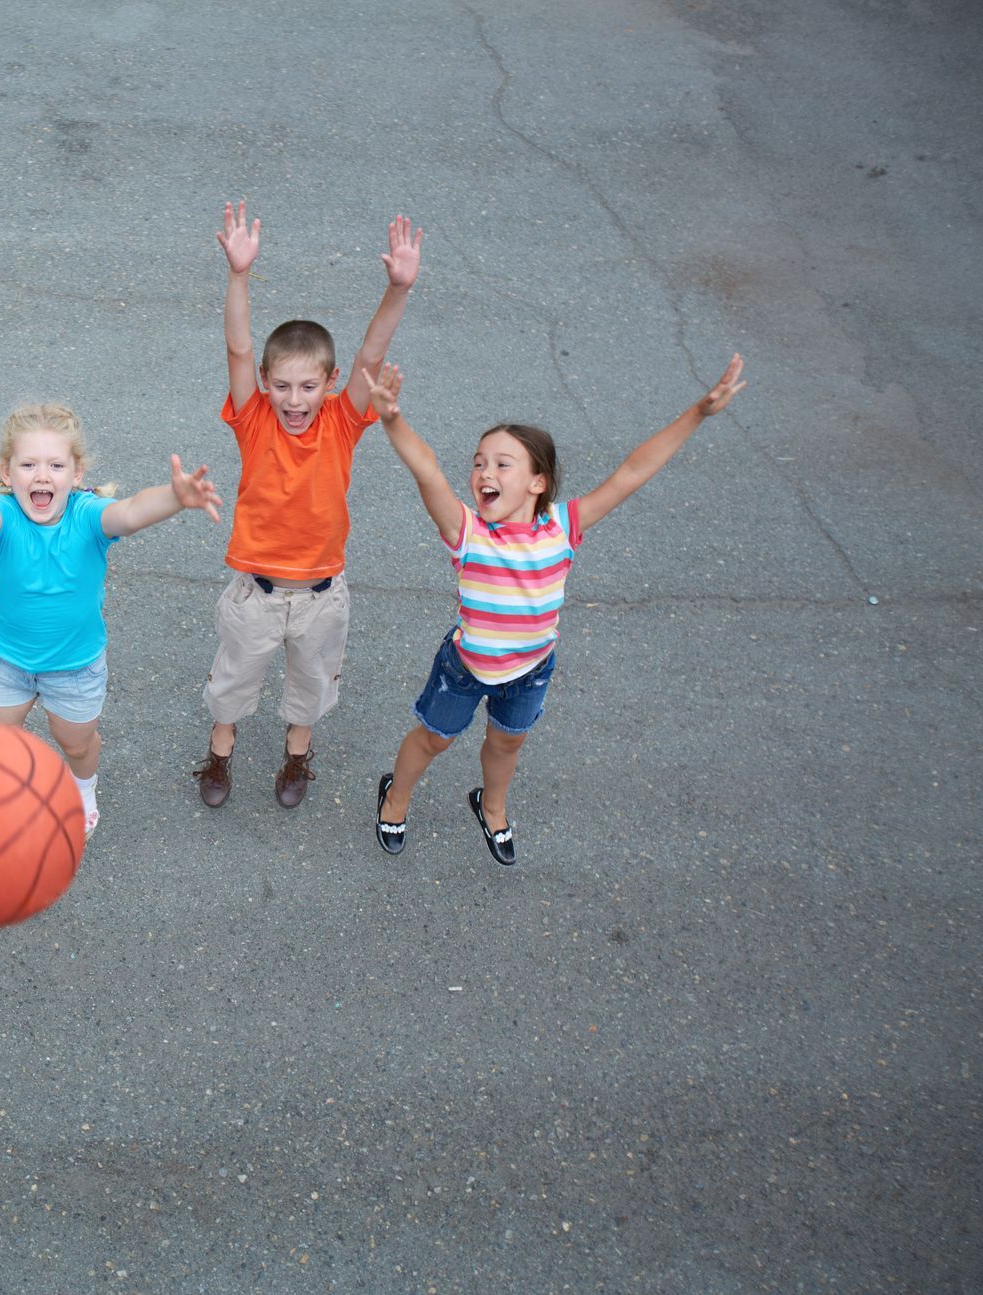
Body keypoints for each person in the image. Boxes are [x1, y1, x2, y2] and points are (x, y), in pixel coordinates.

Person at [364, 353, 748, 864]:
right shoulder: (469, 532)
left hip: (532, 670)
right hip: (466, 669)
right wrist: (393, 419)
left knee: (507, 746)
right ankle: (395, 796)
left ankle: (492, 805)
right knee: (435, 740)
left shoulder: (564, 526)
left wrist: (698, 412)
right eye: (478, 462)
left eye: (502, 464)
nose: (483, 472)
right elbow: (428, 471)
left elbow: (633, 471)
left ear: (538, 482)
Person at [0, 403, 223, 838]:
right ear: (7, 474)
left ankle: (83, 788)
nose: (42, 476)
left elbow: (129, 513)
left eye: (55, 465)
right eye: (28, 464)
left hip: (75, 669)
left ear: (76, 473)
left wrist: (173, 499)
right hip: (5, 663)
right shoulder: (3, 516)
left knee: (77, 744)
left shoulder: (88, 516)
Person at [193, 201, 423, 810]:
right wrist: (239, 275)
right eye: (283, 385)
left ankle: (298, 756)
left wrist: (397, 288)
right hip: (256, 592)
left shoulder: (344, 423)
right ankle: (220, 755)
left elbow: (373, 355)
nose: (295, 399)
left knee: (310, 688)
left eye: (309, 386)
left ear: (331, 382)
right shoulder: (254, 421)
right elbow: (238, 349)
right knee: (231, 687)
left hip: (322, 593)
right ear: (266, 382)